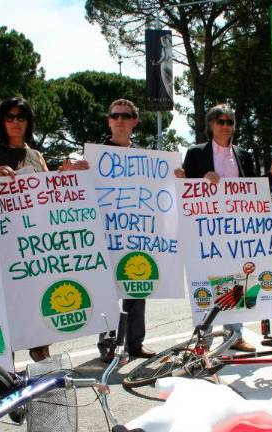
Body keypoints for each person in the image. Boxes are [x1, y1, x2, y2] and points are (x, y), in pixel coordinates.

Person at [174, 103, 272, 352]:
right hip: (206, 232)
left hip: (237, 233)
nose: (226, 126)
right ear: (211, 125)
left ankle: (235, 336)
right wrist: (200, 179)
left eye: (230, 122)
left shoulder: (243, 155)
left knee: (237, 283)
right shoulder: (196, 153)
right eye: (221, 121)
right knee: (206, 281)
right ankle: (203, 339)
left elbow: (254, 189)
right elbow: (185, 189)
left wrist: (270, 173)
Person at [0, 97, 50, 362]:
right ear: (1, 121)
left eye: (21, 117)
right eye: (10, 117)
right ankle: (6, 365)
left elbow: (48, 194)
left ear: (28, 122)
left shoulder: (37, 155)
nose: (15, 122)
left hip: (32, 243)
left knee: (36, 302)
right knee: (6, 304)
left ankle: (41, 358)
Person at [92, 99, 156, 362]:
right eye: (114, 115)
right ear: (109, 121)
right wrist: (73, 171)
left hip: (136, 234)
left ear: (134, 122)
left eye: (125, 115)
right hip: (104, 236)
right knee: (106, 294)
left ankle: (135, 344)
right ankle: (107, 346)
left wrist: (175, 176)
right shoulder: (93, 156)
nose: (119, 119)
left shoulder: (148, 159)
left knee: (136, 289)